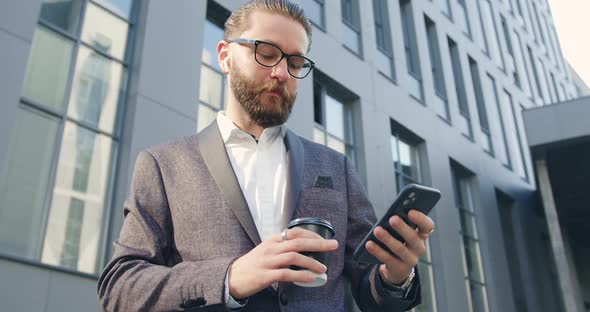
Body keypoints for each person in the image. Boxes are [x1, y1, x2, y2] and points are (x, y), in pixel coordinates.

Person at [97, 0, 436, 311]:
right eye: (267, 53)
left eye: (295, 61)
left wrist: (396, 275)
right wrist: (229, 277)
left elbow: (371, 288)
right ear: (225, 55)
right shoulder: (164, 164)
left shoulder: (337, 167)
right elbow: (120, 288)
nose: (283, 73)